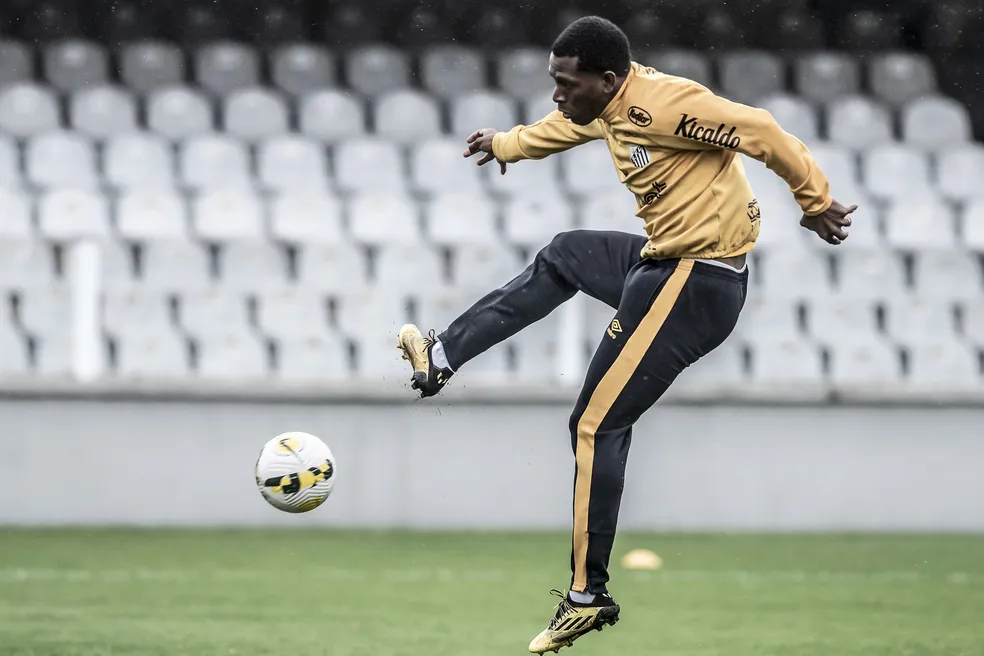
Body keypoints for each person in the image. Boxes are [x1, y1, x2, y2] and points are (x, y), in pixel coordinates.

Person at [397, 15, 856, 655]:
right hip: (662, 263)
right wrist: (507, 145)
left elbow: (760, 131)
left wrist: (814, 201)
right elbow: (569, 125)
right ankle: (441, 356)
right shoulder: (609, 104)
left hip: (697, 281)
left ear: (607, 79)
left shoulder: (671, 105)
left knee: (595, 425)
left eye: (566, 81)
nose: (558, 92)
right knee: (564, 254)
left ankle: (588, 595)